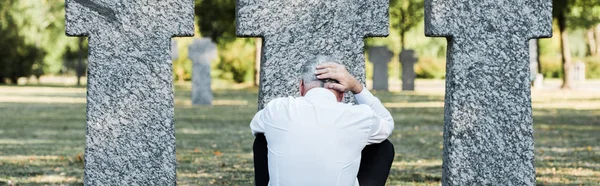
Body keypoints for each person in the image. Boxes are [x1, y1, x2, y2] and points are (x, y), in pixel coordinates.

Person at [250, 55, 395, 186]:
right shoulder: (360, 116)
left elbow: (255, 127)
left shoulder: (277, 108)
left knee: (262, 138)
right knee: (383, 147)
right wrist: (357, 87)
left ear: (301, 86)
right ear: (342, 93)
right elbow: (387, 123)